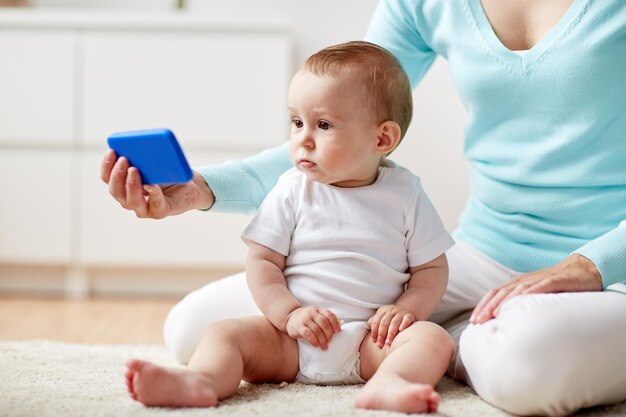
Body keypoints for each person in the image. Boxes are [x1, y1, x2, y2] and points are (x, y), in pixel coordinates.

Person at [102, 1, 626, 415]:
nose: (303, 135)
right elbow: (339, 116)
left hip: (609, 261)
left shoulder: (406, 194)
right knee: (194, 326)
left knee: (525, 364)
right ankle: (459, 343)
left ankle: (451, 347)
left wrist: (590, 264)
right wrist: (198, 190)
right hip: (481, 257)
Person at [124, 41, 455, 414]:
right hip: (289, 339)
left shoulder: (406, 193)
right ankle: (200, 381)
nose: (302, 139)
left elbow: (431, 269)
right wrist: (289, 314)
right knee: (224, 333)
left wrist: (407, 309)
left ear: (382, 138)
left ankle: (391, 382)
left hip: (370, 341)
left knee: (433, 339)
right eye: (296, 122)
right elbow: (262, 261)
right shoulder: (291, 188)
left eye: (323, 125)